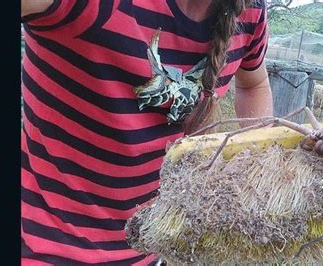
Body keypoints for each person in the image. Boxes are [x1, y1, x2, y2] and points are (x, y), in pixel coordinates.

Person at [20, 0, 273, 264]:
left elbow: (254, 84)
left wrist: (259, 161)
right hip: (43, 242)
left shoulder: (249, 12)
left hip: (146, 246)